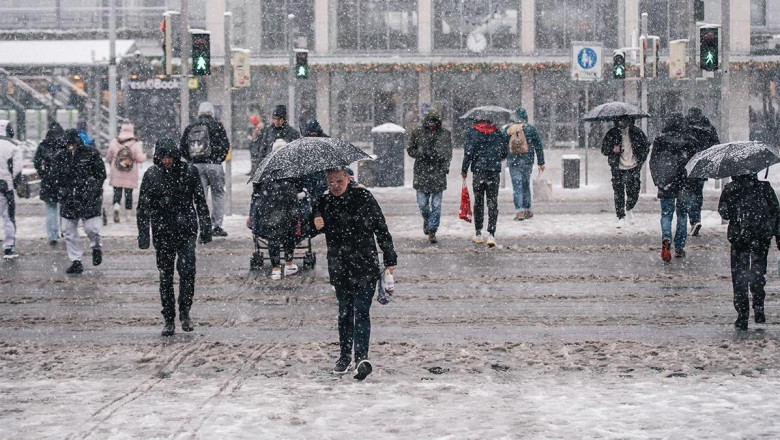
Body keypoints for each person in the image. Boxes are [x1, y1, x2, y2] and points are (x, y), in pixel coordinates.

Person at [313, 167, 397, 380]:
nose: (336, 186)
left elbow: (380, 226)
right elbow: (306, 229)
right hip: (339, 266)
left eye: (339, 181)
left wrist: (389, 257)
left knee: (361, 311)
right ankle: (344, 356)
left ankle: (361, 357)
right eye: (331, 182)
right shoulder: (323, 201)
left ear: (348, 178)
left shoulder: (363, 196)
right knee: (344, 313)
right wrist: (314, 223)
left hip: (364, 264)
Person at [137, 139, 212, 336]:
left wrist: (205, 227)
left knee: (187, 272)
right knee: (165, 277)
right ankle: (169, 318)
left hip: (185, 229)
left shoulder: (189, 172)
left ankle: (185, 312)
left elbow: (200, 202)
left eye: (170, 157)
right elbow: (143, 208)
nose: (167, 161)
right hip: (162, 232)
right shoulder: (151, 175)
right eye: (164, 158)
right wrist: (143, 234)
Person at [718, 173, 780, 330]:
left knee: (739, 276)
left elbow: (724, 212)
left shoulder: (731, 189)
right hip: (761, 236)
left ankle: (742, 315)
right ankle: (759, 307)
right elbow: (776, 212)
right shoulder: (765, 188)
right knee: (758, 272)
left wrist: (736, 209)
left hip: (740, 238)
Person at [51, 129, 106, 274]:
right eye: (68, 144)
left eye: (72, 144)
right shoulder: (60, 156)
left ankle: (95, 246)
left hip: (89, 198)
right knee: (68, 230)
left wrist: (92, 188)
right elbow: (54, 176)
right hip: (68, 198)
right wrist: (60, 189)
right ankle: (76, 260)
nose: (70, 147)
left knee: (91, 228)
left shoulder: (91, 154)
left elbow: (101, 174)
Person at [649, 114, 697, 262]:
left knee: (666, 214)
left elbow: (653, 162)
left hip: (666, 182)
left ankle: (666, 237)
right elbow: (695, 163)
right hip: (685, 183)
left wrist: (658, 181)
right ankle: (680, 248)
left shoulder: (660, 140)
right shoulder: (689, 141)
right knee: (682, 215)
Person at [180, 101, 231, 237]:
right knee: (218, 195)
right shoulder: (218, 126)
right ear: (212, 113)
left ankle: (202, 225)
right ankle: (217, 226)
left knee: (199, 197)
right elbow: (226, 145)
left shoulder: (191, 127)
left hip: (196, 167)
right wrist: (218, 159)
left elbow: (183, 148)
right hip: (214, 165)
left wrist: (192, 160)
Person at [407, 108, 452, 244]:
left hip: (438, 173)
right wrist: (420, 153)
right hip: (422, 172)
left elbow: (448, 152)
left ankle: (432, 230)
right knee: (423, 204)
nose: (431, 124)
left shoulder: (445, 134)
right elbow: (410, 149)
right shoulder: (417, 133)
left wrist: (445, 166)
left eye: (434, 121)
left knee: (436, 205)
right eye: (429, 121)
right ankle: (427, 221)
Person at [461, 117, 508, 247]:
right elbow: (505, 152)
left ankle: (478, 233)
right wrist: (495, 158)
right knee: (492, 202)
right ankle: (491, 234)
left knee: (479, 201)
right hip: (493, 171)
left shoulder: (473, 133)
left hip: (478, 171)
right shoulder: (498, 133)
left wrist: (464, 169)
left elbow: (468, 153)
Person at [250, 176, 303, 280]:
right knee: (289, 234)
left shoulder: (265, 173)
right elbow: (299, 188)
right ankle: (288, 263)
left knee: (273, 237)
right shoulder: (291, 171)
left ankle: (276, 269)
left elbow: (256, 190)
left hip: (269, 207)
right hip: (288, 206)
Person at [601, 116, 649, 228]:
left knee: (634, 190)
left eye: (625, 120)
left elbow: (646, 146)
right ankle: (620, 216)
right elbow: (604, 149)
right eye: (621, 120)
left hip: (633, 166)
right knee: (619, 192)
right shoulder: (612, 133)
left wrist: (640, 159)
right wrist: (612, 150)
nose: (623, 122)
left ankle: (629, 208)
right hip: (617, 166)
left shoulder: (637, 132)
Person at [685, 107, 720, 236]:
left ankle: (693, 220)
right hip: (701, 164)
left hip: (688, 164)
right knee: (698, 193)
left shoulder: (685, 127)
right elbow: (715, 145)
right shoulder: (708, 127)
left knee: (689, 193)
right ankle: (696, 218)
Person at [506, 107, 545, 221]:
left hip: (514, 161)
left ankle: (519, 211)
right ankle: (527, 209)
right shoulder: (531, 129)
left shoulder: (510, 129)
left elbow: (503, 145)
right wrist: (541, 162)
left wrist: (503, 156)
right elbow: (538, 146)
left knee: (517, 186)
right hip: (527, 162)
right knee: (525, 185)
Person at [105, 123, 147, 223]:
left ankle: (116, 207)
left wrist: (112, 163)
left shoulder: (114, 141)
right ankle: (128, 215)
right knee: (129, 194)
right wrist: (145, 156)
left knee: (117, 192)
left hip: (117, 171)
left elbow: (108, 156)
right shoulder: (135, 143)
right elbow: (139, 158)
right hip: (130, 172)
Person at [34, 121, 66, 246]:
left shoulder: (43, 145)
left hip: (48, 181)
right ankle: (66, 231)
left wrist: (43, 174)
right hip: (64, 181)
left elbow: (36, 161)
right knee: (64, 208)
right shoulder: (64, 144)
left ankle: (53, 236)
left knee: (51, 208)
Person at [0, 120, 21, 260]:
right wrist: (15, 182)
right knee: (8, 217)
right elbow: (17, 169)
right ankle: (9, 247)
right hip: (6, 186)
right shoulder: (14, 146)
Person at [301, 119, 329, 204]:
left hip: (321, 179)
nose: (313, 135)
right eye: (311, 133)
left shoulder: (326, 142)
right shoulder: (302, 145)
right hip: (309, 179)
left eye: (314, 133)